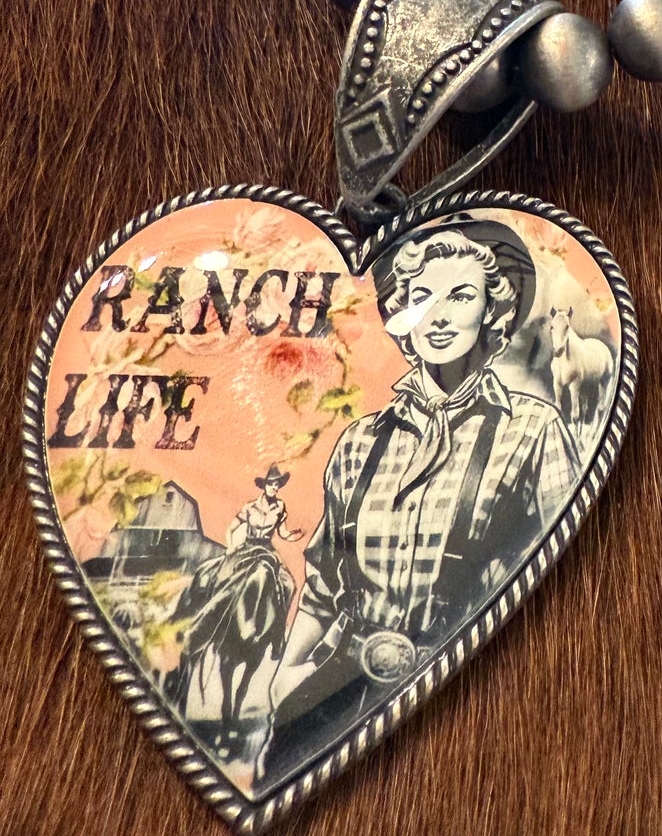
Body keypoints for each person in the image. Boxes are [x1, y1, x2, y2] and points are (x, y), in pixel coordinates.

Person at [261, 216, 579, 786]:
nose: (439, 315)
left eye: (461, 296)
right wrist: (287, 675)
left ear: (492, 311)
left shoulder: (533, 430)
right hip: (339, 685)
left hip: (467, 688)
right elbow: (325, 582)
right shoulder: (361, 442)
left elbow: (571, 575)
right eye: (423, 296)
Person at [175, 466, 300, 745]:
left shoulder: (281, 507)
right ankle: (212, 621)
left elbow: (282, 532)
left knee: (289, 584)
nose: (274, 488)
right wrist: (231, 546)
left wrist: (292, 536)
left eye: (277, 484)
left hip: (267, 553)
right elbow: (232, 528)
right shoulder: (249, 507)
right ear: (263, 486)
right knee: (225, 580)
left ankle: (277, 636)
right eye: (271, 484)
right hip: (247, 550)